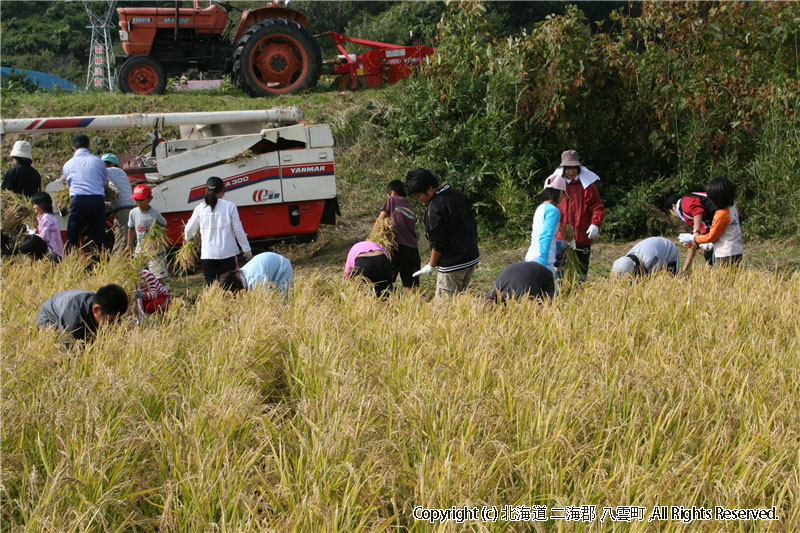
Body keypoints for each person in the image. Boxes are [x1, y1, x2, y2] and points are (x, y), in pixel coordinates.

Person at [405, 167, 480, 298]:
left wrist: (431, 265)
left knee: (444, 309)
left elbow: (438, 242)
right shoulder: (459, 195)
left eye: (418, 196)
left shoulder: (435, 207)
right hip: (471, 257)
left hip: (452, 264)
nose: (419, 199)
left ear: (429, 189)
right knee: (461, 304)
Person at [184, 176, 252, 285]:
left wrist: (189, 240)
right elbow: (238, 230)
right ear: (222, 191)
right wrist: (247, 250)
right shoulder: (230, 207)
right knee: (231, 288)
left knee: (212, 288)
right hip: (228, 254)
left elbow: (188, 230)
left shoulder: (200, 208)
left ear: (206, 190)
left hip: (208, 256)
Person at [551, 150, 605, 280]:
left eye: (574, 168)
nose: (571, 171)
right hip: (561, 234)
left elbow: (597, 206)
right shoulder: (557, 185)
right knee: (560, 270)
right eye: (568, 168)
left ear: (578, 168)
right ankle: (562, 292)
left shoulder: (587, 186)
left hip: (581, 234)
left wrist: (595, 224)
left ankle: (581, 293)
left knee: (581, 270)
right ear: (563, 169)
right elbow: (550, 205)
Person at [679, 177, 743, 266]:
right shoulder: (733, 209)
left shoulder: (721, 214)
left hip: (725, 254)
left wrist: (693, 238)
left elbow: (712, 237)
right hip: (737, 250)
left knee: (723, 279)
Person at [372, 179, 420, 293]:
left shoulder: (392, 199)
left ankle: (384, 306)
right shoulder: (409, 206)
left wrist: (372, 239)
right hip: (413, 250)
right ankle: (413, 308)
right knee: (411, 285)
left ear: (392, 193)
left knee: (385, 282)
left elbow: (380, 220)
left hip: (397, 248)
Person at [36, 284, 128, 343]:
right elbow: (72, 353)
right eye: (110, 321)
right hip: (50, 317)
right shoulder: (74, 322)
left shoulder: (108, 309)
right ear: (96, 310)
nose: (112, 325)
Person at [63, 134, 108, 251]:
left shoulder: (68, 164)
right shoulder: (99, 162)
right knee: (100, 236)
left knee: (72, 235)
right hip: (97, 201)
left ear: (73, 148)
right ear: (89, 146)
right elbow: (103, 181)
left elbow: (69, 183)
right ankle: (105, 263)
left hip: (79, 201)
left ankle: (70, 261)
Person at [124, 184, 169, 280]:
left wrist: (157, 241)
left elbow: (164, 226)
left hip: (154, 253)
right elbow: (131, 228)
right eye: (136, 200)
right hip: (140, 252)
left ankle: (164, 293)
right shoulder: (133, 213)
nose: (139, 203)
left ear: (150, 199)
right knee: (140, 279)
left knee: (158, 278)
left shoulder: (155, 214)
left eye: (141, 200)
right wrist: (128, 245)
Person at [524, 174, 568, 272]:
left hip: (531, 257)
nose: (563, 198)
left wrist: (562, 244)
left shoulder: (540, 208)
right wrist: (543, 264)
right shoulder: (553, 211)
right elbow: (545, 236)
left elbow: (540, 234)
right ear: (560, 192)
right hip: (542, 261)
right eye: (564, 195)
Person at [664, 191, 717, 274]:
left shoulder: (684, 202)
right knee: (709, 250)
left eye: (672, 214)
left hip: (723, 217)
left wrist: (695, 233)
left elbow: (698, 212)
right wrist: (686, 267)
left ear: (674, 207)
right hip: (721, 219)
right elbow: (694, 243)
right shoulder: (690, 212)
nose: (675, 217)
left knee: (712, 250)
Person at [102, 153, 135, 254]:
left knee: (121, 246)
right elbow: (115, 202)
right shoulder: (118, 177)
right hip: (128, 210)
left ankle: (115, 267)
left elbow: (95, 173)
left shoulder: (114, 171)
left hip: (124, 213)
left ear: (112, 164)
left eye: (104, 164)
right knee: (130, 245)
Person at [218, 252, 293, 295]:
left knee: (281, 300)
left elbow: (265, 298)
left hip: (282, 267)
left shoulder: (256, 279)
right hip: (271, 264)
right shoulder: (242, 274)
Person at [487, 261, 556, 303]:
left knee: (541, 306)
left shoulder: (523, 297)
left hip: (535, 273)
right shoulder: (493, 296)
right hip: (514, 271)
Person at [610, 236, 681, 276]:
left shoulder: (650, 261)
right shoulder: (627, 259)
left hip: (669, 250)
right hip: (654, 248)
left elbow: (653, 280)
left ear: (637, 268)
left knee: (671, 279)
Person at [31, 191, 64, 259]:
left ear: (42, 205)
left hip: (53, 252)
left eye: (35, 204)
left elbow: (44, 237)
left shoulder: (46, 218)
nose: (33, 207)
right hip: (57, 251)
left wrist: (33, 235)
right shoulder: (49, 216)